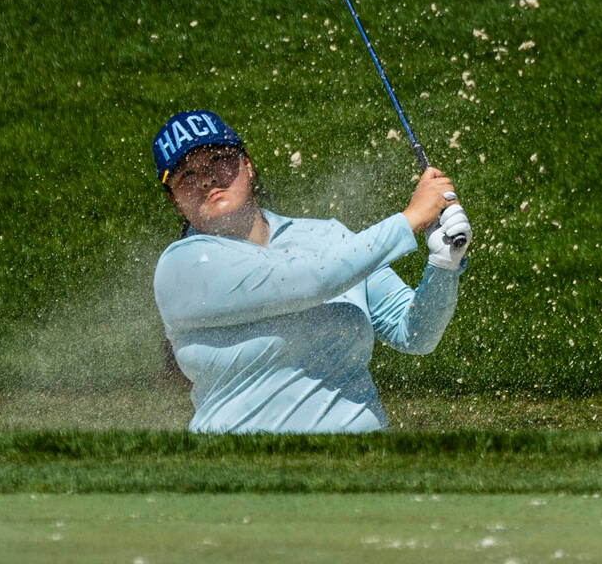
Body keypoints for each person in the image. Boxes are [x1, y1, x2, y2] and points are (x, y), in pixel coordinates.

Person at [152, 109, 472, 434]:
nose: (206, 178)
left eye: (218, 158)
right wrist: (410, 219)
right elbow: (310, 281)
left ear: (247, 164)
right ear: (174, 200)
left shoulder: (329, 238)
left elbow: (415, 335)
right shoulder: (182, 267)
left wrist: (444, 263)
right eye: (186, 176)